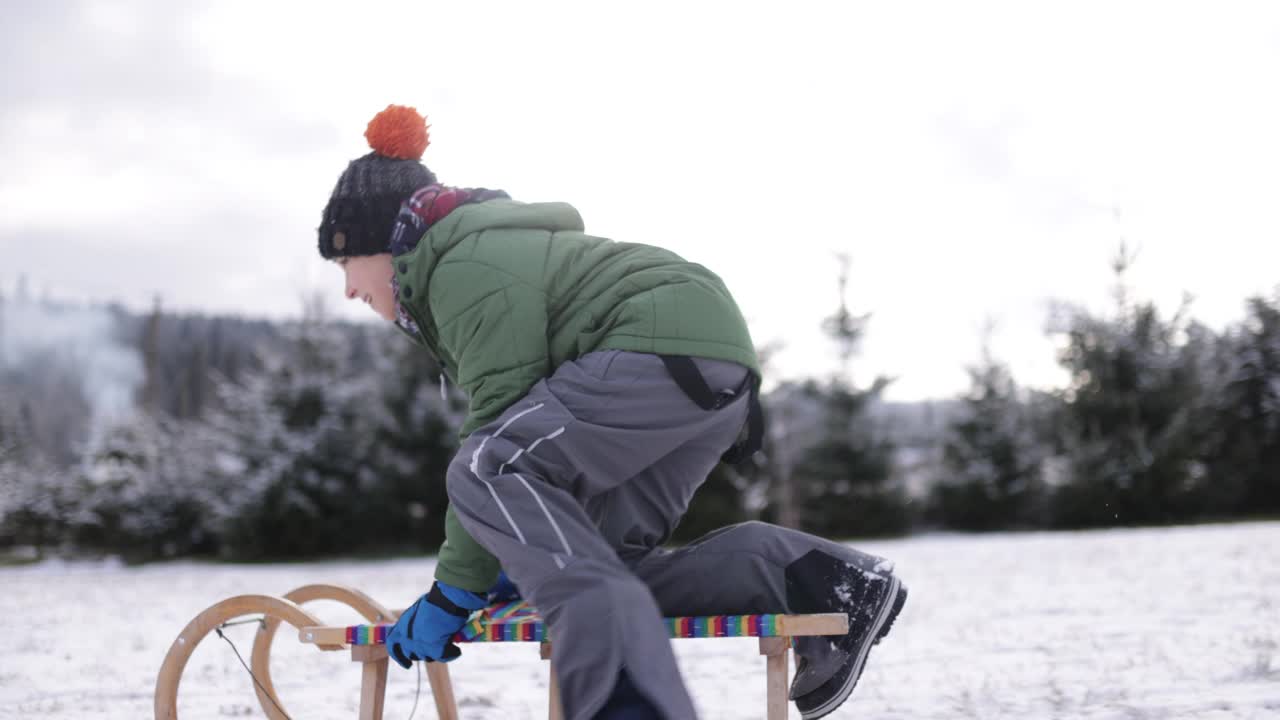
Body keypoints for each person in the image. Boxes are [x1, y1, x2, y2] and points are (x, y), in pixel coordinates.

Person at [318, 104, 908, 720]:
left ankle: (625, 699)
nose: (349, 289)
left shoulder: (463, 265)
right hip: (705, 370)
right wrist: (508, 558)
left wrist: (455, 589)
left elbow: (500, 431)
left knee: (486, 468)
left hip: (655, 348)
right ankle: (820, 577)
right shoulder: (466, 260)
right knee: (606, 558)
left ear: (378, 242)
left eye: (344, 266)